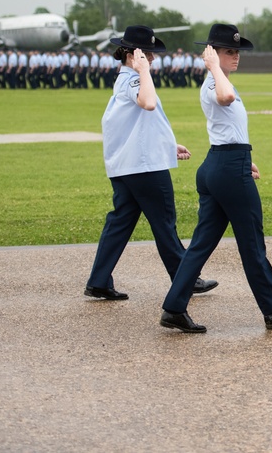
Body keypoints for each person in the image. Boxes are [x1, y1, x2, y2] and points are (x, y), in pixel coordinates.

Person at [160, 24, 272, 333]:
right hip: (226, 169)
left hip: (222, 163)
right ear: (212, 53)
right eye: (228, 51)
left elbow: (228, 128)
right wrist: (213, 66)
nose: (235, 56)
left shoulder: (220, 80)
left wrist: (245, 157)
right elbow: (224, 98)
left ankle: (173, 307)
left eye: (237, 51)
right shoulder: (216, 83)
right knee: (251, 241)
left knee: (200, 245)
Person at [85, 25, 217, 301]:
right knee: (164, 223)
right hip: (144, 168)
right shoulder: (134, 79)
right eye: (149, 54)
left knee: (120, 222)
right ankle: (185, 279)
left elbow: (140, 126)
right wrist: (142, 70)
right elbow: (148, 104)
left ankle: (99, 280)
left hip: (128, 166)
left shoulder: (125, 81)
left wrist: (169, 145)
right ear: (134, 55)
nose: (153, 60)